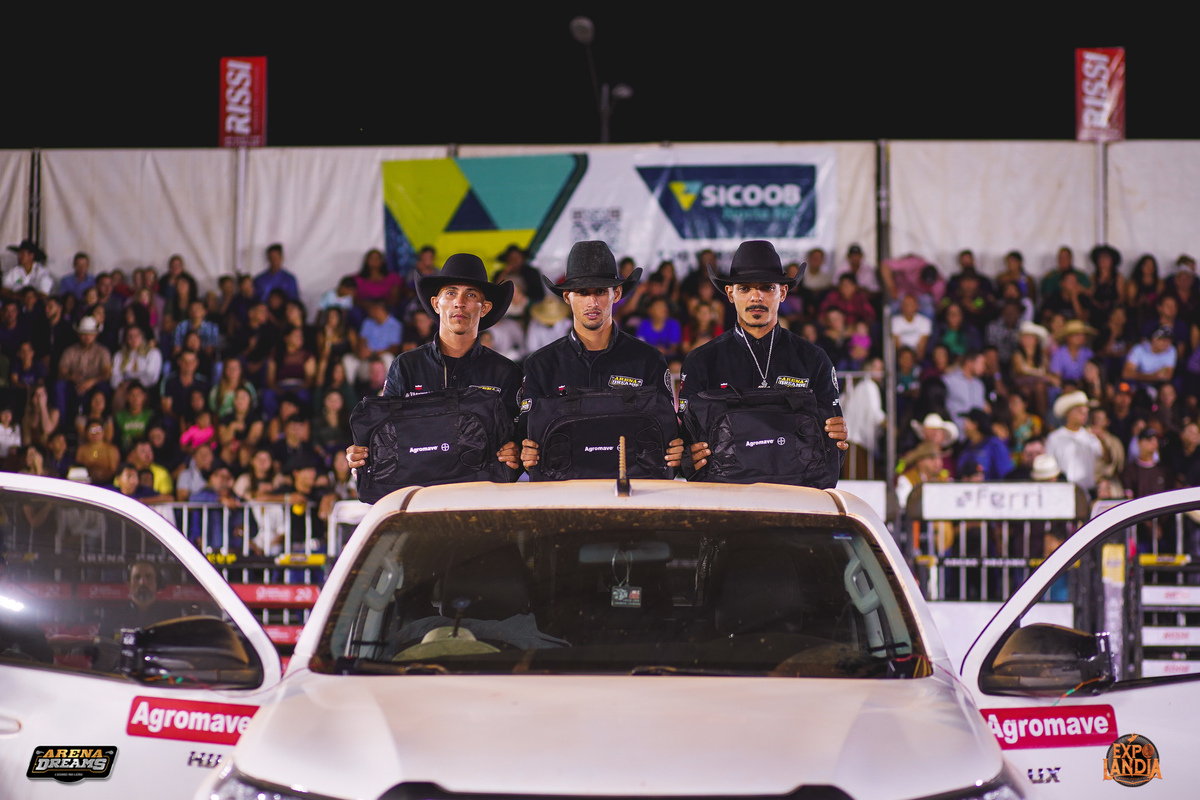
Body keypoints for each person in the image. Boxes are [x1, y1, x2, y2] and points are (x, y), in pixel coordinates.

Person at [680, 240, 848, 474]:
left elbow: (834, 443)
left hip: (793, 489)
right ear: (730, 293)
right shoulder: (701, 361)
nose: (756, 297)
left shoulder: (814, 359)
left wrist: (837, 441)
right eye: (745, 288)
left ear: (783, 292)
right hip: (724, 491)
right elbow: (686, 443)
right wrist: (688, 456)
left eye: (767, 288)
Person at [346, 253, 523, 474]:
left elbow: (518, 440)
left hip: (481, 490)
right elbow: (383, 432)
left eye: (470, 294)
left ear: (485, 308)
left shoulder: (506, 373)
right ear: (435, 304)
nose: (459, 302)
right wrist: (361, 454)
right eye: (451, 293)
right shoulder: (406, 366)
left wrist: (515, 452)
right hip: (420, 489)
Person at [518, 241, 683, 474]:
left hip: (631, 489)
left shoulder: (649, 360)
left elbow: (667, 436)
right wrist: (524, 452)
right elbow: (525, 439)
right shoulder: (540, 365)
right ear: (567, 297)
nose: (592, 303)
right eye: (582, 292)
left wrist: (677, 451)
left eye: (600, 292)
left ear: (617, 294)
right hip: (564, 491)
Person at [1044, 390, 1106, 494]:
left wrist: (1103, 440)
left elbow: (1104, 458)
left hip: (1087, 490)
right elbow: (1049, 464)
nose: (1084, 415)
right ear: (1069, 413)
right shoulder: (1054, 438)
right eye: (1080, 411)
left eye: (1085, 412)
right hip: (1063, 490)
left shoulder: (1090, 437)